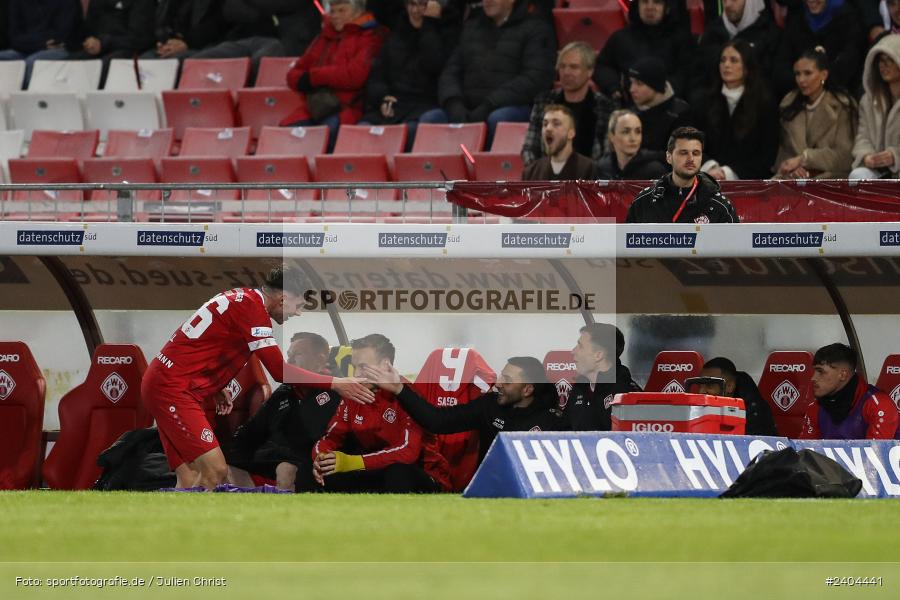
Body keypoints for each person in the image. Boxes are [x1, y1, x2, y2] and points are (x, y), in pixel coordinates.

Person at [141, 265, 373, 490]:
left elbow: (205, 344)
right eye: (299, 305)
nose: (298, 312)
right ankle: (203, 529)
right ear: (282, 298)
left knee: (190, 476)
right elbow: (279, 371)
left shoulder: (242, 298)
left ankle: (174, 528)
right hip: (173, 389)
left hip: (164, 381)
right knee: (216, 471)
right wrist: (336, 382)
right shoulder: (253, 310)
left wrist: (215, 385)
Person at [357, 355, 566, 468]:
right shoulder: (489, 405)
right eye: (501, 376)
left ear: (528, 389)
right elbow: (437, 421)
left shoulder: (551, 423)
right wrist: (399, 389)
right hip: (488, 493)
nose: (498, 383)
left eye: (507, 381)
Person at [312, 334, 452, 493]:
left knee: (398, 473)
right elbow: (331, 437)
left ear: (386, 366)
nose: (356, 374)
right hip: (374, 470)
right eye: (354, 366)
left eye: (363, 367)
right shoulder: (354, 392)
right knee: (316, 472)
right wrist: (321, 457)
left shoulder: (409, 395)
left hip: (422, 474)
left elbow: (407, 453)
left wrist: (353, 462)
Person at [421, 0, 556, 146]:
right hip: (469, 108)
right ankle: (445, 168)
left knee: (499, 118)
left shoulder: (536, 29)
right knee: (431, 118)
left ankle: (490, 167)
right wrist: (454, 103)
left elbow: (535, 78)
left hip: (511, 107)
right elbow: (450, 72)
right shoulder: (472, 27)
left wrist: (489, 104)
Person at [225, 332, 340, 492]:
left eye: (298, 355)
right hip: (276, 457)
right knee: (223, 467)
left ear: (320, 360)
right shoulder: (284, 392)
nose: (289, 361)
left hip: (313, 463)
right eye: (289, 355)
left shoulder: (336, 393)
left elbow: (312, 440)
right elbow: (251, 433)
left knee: (286, 468)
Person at [281, 0, 387, 149]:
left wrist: (314, 77)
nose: (335, 16)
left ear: (358, 12)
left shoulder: (371, 36)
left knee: (321, 137)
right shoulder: (325, 36)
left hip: (347, 109)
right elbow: (293, 76)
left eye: (341, 11)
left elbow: (354, 76)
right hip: (316, 108)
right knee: (283, 134)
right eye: (332, 11)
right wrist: (317, 78)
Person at [361, 0, 458, 146]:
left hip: (425, 104)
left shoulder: (448, 32)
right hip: (394, 105)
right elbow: (377, 76)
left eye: (422, 5)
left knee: (411, 129)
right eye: (411, 4)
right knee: (361, 129)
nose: (415, 10)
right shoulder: (396, 36)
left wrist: (429, 25)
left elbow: (434, 64)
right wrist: (382, 98)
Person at [692, 39, 779, 180]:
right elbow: (693, 142)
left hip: (748, 183)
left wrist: (728, 173)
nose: (726, 65)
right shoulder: (704, 101)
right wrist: (710, 166)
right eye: (723, 60)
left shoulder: (764, 104)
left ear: (747, 67)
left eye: (734, 60)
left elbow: (766, 156)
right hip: (706, 178)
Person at [521, 41, 616, 166]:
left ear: (590, 71)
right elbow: (529, 149)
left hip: (590, 179)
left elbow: (608, 155)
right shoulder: (544, 101)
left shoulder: (605, 106)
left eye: (574, 67)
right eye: (562, 66)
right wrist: (541, 172)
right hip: (550, 178)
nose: (566, 72)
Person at [626, 126, 740, 223]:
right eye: (683, 153)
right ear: (669, 157)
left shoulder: (720, 206)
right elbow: (628, 245)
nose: (691, 159)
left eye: (696, 153)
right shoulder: (644, 202)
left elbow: (734, 247)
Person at [774, 47, 857, 179]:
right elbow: (783, 158)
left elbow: (845, 157)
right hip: (794, 180)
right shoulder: (789, 104)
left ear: (824, 74)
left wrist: (805, 158)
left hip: (831, 178)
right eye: (797, 74)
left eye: (807, 73)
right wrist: (792, 170)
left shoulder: (842, 105)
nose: (801, 80)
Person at [593, 0, 693, 101]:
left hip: (670, 104)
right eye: (644, 2)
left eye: (657, 2)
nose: (649, 7)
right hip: (629, 105)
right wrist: (613, 87)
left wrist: (661, 90)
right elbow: (602, 65)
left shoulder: (681, 39)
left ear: (667, 8)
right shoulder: (621, 37)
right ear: (637, 6)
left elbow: (687, 73)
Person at [192, 1, 321, 77]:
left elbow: (279, 4)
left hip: (284, 42)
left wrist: (257, 8)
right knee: (197, 61)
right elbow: (229, 10)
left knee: (260, 62)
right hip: (244, 39)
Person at [797, 343, 900, 439]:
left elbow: (876, 455)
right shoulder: (815, 408)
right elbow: (806, 453)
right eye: (814, 371)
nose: (813, 378)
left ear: (843, 374)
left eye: (820, 371)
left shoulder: (879, 405)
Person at [773, 0, 864, 96]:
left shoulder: (848, 17)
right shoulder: (797, 17)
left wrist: (818, 82)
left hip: (839, 97)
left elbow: (850, 62)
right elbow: (780, 68)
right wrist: (803, 81)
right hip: (800, 97)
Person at [691, 0, 781, 92]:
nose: (728, 5)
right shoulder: (712, 33)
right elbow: (699, 77)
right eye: (725, 0)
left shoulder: (770, 33)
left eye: (735, 0)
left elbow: (773, 83)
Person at [566, 323, 642, 431]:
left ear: (598, 355)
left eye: (580, 346)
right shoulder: (579, 387)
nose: (573, 351)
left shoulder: (627, 394)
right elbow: (562, 432)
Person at [67, 0, 156, 83]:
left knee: (105, 65)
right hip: (99, 47)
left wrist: (104, 43)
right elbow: (88, 30)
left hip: (128, 47)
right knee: (70, 63)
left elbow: (140, 38)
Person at [850, 34, 900, 179]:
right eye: (880, 61)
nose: (883, 66)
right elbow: (862, 137)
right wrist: (866, 156)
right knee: (857, 175)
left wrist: (895, 156)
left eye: (889, 60)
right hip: (877, 170)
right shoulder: (868, 100)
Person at [0, 0, 81, 86]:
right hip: (27, 48)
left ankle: (27, 97)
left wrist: (29, 41)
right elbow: (14, 37)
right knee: (3, 57)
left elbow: (60, 35)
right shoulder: (17, 2)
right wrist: (40, 43)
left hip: (59, 48)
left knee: (32, 62)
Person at [691, 357, 778, 436]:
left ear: (729, 386)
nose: (701, 392)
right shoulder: (696, 408)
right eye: (700, 386)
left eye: (709, 386)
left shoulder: (754, 414)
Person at [625, 56, 692, 158]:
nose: (632, 89)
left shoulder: (680, 114)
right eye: (631, 82)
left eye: (639, 84)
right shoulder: (630, 112)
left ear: (655, 86)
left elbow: (678, 156)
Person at [521, 104, 595, 180]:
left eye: (556, 124)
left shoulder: (589, 169)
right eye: (545, 124)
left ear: (571, 133)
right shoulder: (530, 173)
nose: (548, 128)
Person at [595, 109, 668, 180]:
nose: (633, 138)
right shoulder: (602, 168)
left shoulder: (655, 170)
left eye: (638, 131)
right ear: (611, 136)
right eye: (626, 132)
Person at [144, 0, 227, 60]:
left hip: (203, 47)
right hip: (172, 45)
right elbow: (162, 23)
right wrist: (164, 41)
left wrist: (187, 43)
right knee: (144, 61)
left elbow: (216, 28)